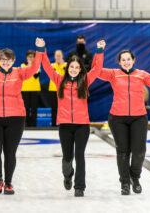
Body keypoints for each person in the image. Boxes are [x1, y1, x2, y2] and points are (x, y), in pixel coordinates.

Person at [0, 36, 45, 195]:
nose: (5, 62)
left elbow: (34, 68)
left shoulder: (20, 72)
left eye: (9, 60)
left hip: (16, 118)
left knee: (10, 153)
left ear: (13, 61)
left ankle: (9, 183)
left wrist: (40, 50)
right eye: (3, 59)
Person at [42, 39, 105, 197]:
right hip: (65, 126)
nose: (74, 69)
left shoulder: (85, 81)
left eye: (77, 67)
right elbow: (47, 67)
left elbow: (97, 69)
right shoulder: (59, 81)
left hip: (82, 125)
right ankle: (67, 175)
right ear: (67, 67)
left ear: (80, 69)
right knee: (67, 157)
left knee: (80, 156)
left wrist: (99, 51)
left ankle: (80, 186)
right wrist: (41, 49)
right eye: (72, 67)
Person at [98, 50, 150, 195]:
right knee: (122, 152)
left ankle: (135, 178)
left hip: (138, 118)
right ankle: (124, 183)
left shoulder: (141, 74)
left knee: (139, 152)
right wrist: (99, 52)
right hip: (117, 118)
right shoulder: (113, 73)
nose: (126, 62)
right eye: (123, 60)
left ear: (134, 60)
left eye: (128, 59)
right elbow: (97, 71)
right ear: (119, 62)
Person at [21, 50, 41, 127]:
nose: (30, 58)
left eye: (32, 56)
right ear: (26, 57)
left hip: (35, 90)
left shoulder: (37, 65)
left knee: (34, 108)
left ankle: (33, 124)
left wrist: (31, 66)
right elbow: (24, 75)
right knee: (25, 108)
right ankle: (26, 124)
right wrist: (29, 65)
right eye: (29, 56)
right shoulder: (23, 65)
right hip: (25, 89)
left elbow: (36, 75)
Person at [48, 50, 66, 127]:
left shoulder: (67, 65)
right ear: (54, 56)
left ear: (62, 56)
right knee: (54, 108)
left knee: (64, 108)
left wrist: (62, 66)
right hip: (53, 89)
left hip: (64, 89)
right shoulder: (52, 66)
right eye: (57, 55)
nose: (58, 57)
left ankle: (64, 124)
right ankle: (53, 125)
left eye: (59, 55)